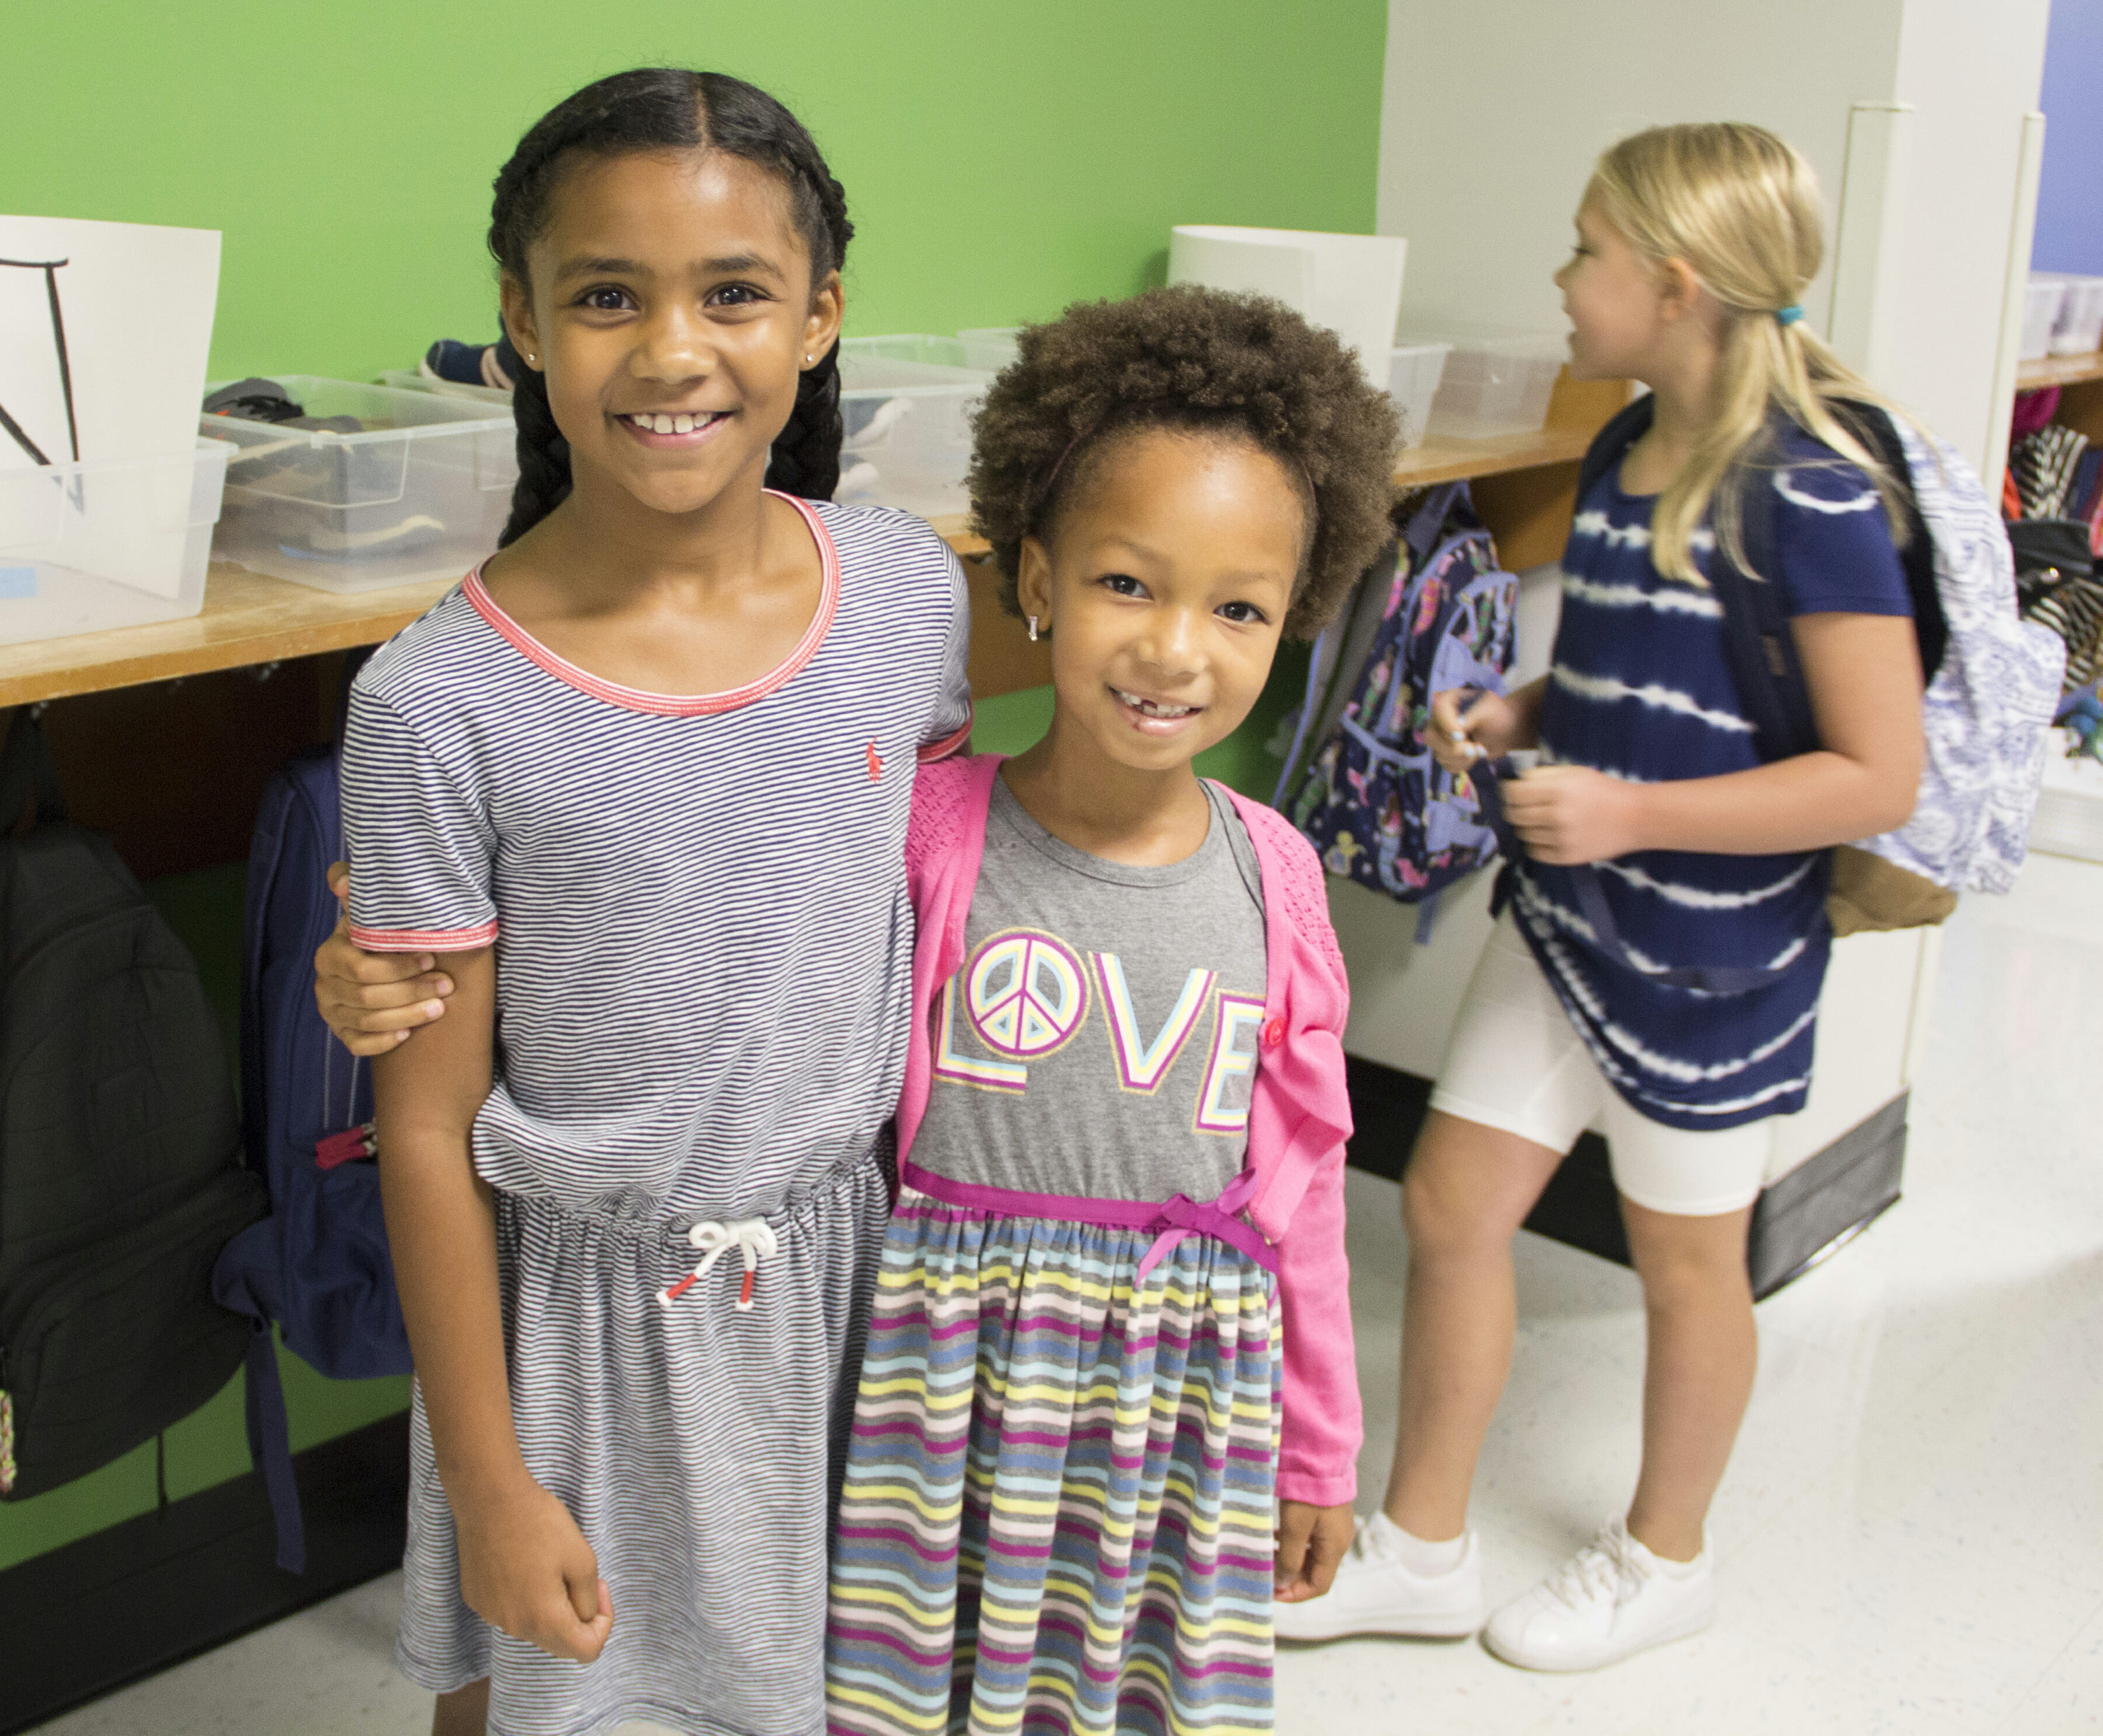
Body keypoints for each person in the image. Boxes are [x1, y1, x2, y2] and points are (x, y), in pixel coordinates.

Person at [333, 69, 972, 1736]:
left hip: (854, 1288)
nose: (672, 348)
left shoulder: (903, 591)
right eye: (606, 294)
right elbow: (422, 1131)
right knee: (556, 1699)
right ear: (521, 323)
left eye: (734, 292)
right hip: (580, 1343)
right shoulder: (433, 702)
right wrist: (484, 1479)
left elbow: (952, 866)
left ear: (819, 319)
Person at [1275, 122, 1925, 1671]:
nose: (1560, 280)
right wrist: (1528, 711)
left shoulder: (1811, 496)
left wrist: (1628, 806)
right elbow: (1651, 665)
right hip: (1562, 935)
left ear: (1675, 284)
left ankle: (1663, 1554)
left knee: (1687, 1262)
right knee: (1447, 1204)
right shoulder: (1627, 448)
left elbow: (1870, 773)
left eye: (1584, 251)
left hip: (1711, 966)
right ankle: (1420, 1545)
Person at [821, 286, 1397, 1736]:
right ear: (1036, 576)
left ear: (1294, 616)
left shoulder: (1276, 882)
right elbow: (729, 927)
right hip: (929, 1385)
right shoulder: (923, 829)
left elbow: (1307, 1194)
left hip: (1166, 1411)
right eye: (1126, 583)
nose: (1172, 649)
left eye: (1238, 606)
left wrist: (1321, 1446)